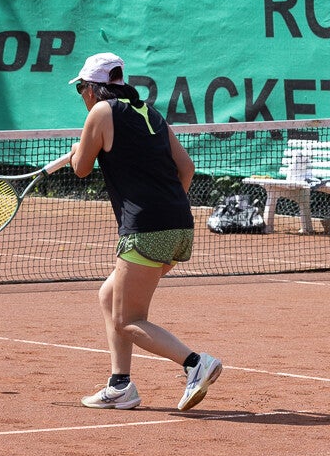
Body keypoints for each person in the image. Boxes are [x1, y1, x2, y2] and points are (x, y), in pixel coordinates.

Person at [67, 51, 222, 411]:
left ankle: (195, 363)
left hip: (146, 230)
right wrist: (167, 208)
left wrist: (76, 151)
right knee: (109, 297)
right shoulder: (149, 112)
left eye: (81, 89)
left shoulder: (100, 113)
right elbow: (186, 168)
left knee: (128, 321)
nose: (82, 96)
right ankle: (120, 385)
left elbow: (81, 169)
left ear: (92, 88)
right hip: (179, 226)